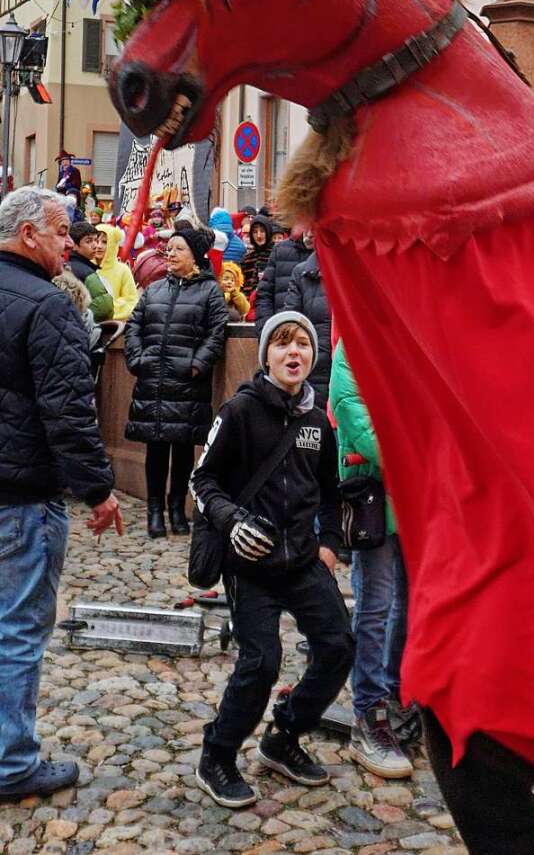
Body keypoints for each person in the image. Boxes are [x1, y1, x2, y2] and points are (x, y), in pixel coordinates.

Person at [190, 312, 354, 806]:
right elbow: (203, 481)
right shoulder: (238, 412)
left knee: (338, 646)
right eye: (282, 343)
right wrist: (232, 520)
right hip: (250, 563)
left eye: (302, 344)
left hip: (303, 560)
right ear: (266, 354)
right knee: (261, 662)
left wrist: (328, 544)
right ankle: (217, 755)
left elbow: (330, 491)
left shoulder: (315, 421)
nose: (294, 352)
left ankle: (284, 736)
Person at [0, 187, 122, 800]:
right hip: (21, 498)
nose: (71, 242)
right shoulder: (48, 306)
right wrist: (100, 489)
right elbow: (70, 411)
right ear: (28, 235)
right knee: (18, 629)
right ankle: (11, 763)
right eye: (61, 231)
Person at [330, 338, 414, 778]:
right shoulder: (356, 342)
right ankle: (370, 712)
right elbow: (350, 410)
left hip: (421, 498)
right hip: (377, 495)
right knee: (377, 605)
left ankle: (402, 695)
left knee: (414, 604)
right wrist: (417, 454)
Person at [124, 228, 229, 538]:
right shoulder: (155, 289)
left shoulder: (210, 292)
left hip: (186, 383)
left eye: (178, 249)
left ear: (194, 256)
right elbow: (134, 326)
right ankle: (154, 511)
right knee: (155, 447)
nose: (169, 254)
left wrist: (198, 364)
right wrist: (137, 359)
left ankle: (175, 507)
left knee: (183, 449)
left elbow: (217, 331)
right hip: (153, 380)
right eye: (168, 248)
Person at [284, 250, 332, 406]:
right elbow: (291, 322)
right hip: (313, 367)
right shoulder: (302, 273)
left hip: (348, 368)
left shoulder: (357, 271)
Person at [254, 229, 314, 336]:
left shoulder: (334, 253)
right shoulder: (280, 250)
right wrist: (268, 333)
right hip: (282, 337)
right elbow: (264, 296)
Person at [67, 221, 114, 322]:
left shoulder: (66, 265)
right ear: (74, 245)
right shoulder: (87, 272)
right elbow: (104, 307)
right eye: (88, 241)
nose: (95, 245)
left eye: (95, 240)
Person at [95, 223, 139, 321]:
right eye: (96, 241)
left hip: (114, 327)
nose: (99, 246)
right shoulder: (84, 267)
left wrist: (106, 309)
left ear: (112, 244)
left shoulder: (123, 270)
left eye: (104, 242)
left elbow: (131, 301)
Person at [241, 215, 274, 294]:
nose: (259, 236)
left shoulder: (275, 254)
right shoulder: (247, 258)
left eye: (262, 231)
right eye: (255, 232)